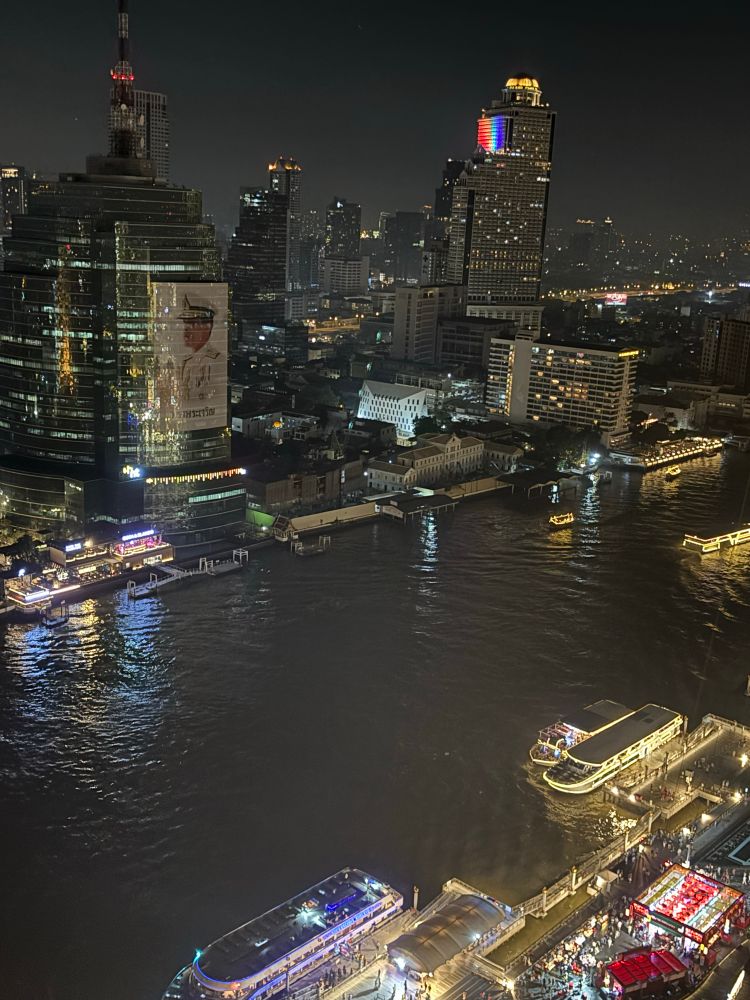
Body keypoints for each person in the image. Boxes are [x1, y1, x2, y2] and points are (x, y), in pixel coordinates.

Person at [179, 295, 222, 404]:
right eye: (186, 323)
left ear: (207, 326)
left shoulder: (217, 361)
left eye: (192, 324)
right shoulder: (186, 361)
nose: (186, 329)